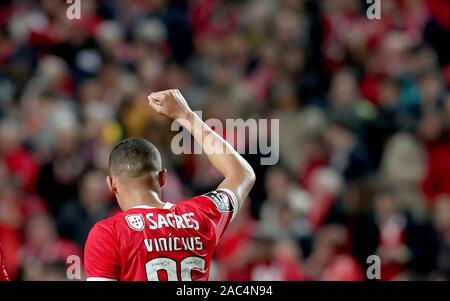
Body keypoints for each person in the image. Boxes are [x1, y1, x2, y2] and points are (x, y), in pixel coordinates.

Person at [84, 89, 255, 281]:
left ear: (112, 184)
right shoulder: (200, 216)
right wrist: (187, 116)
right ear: (163, 178)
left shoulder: (108, 234)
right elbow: (242, 174)